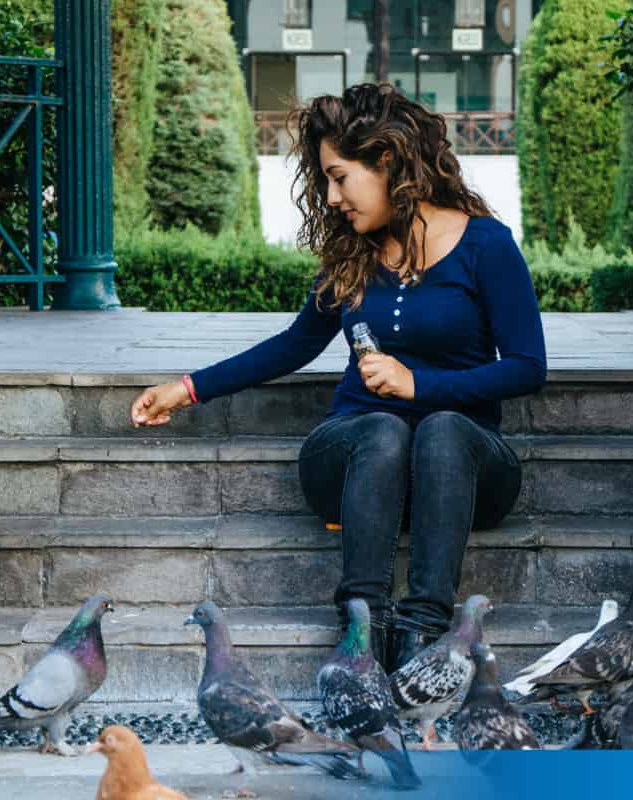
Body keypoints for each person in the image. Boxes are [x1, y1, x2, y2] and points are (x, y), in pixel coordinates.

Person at [130, 83, 546, 672]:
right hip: (354, 464)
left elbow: (529, 367)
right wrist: (187, 388)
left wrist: (419, 388)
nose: (330, 197)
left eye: (339, 177)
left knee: (443, 429)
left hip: (463, 478)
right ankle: (361, 629)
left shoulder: (486, 246)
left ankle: (423, 628)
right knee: (381, 431)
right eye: (324, 181)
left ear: (388, 162)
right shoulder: (353, 252)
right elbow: (296, 344)